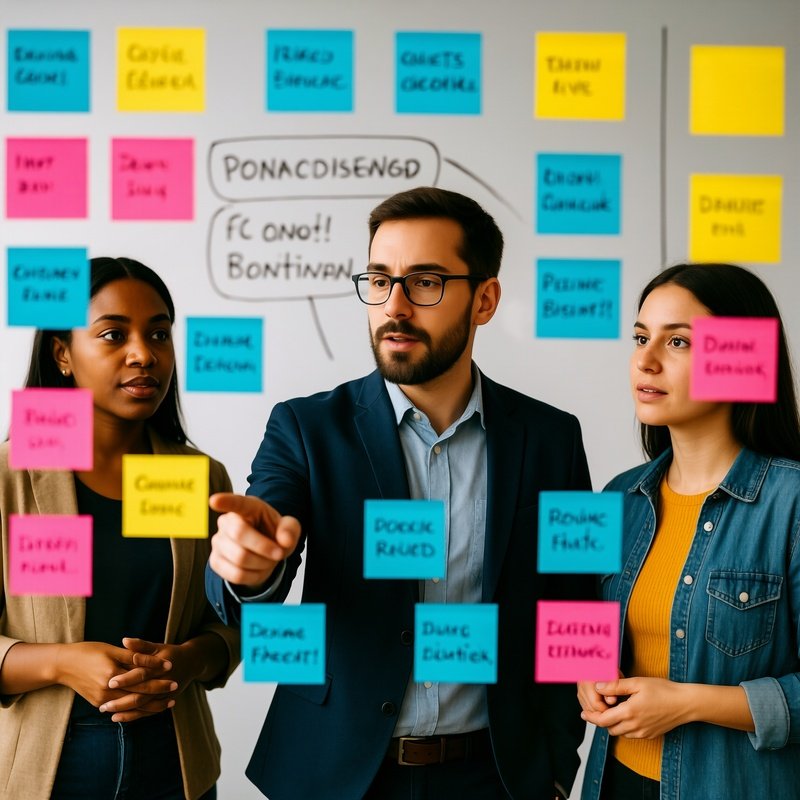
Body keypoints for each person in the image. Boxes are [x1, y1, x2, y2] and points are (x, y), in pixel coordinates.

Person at [206, 186, 593, 800]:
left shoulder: (551, 438)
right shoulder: (306, 428)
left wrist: (555, 762)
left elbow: (573, 606)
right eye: (379, 280)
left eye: (426, 282)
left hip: (494, 775)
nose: (395, 306)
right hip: (337, 774)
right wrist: (249, 566)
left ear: (485, 299)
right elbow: (262, 537)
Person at [0, 257, 240, 800]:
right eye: (113, 334)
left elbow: (229, 626)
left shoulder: (194, 476)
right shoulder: (9, 478)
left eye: (159, 334)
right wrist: (63, 662)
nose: (144, 354)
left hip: (175, 761)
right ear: (62, 354)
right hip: (45, 769)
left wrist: (187, 661)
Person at [579, 263, 800, 800]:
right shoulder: (618, 497)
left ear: (745, 359)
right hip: (614, 783)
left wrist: (688, 702)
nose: (645, 360)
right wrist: (586, 673)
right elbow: (588, 626)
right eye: (640, 337)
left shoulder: (791, 502)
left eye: (678, 341)